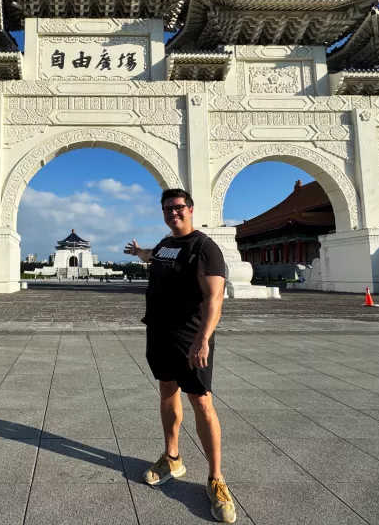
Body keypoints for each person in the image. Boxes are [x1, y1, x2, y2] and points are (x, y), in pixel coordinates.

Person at [124, 188, 236, 523]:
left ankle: (216, 478)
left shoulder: (205, 248)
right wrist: (138, 251)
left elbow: (215, 298)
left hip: (191, 338)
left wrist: (203, 340)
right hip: (159, 334)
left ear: (190, 208)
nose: (173, 213)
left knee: (201, 401)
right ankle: (172, 457)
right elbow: (152, 256)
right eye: (167, 209)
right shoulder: (164, 244)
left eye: (178, 208)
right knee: (167, 392)